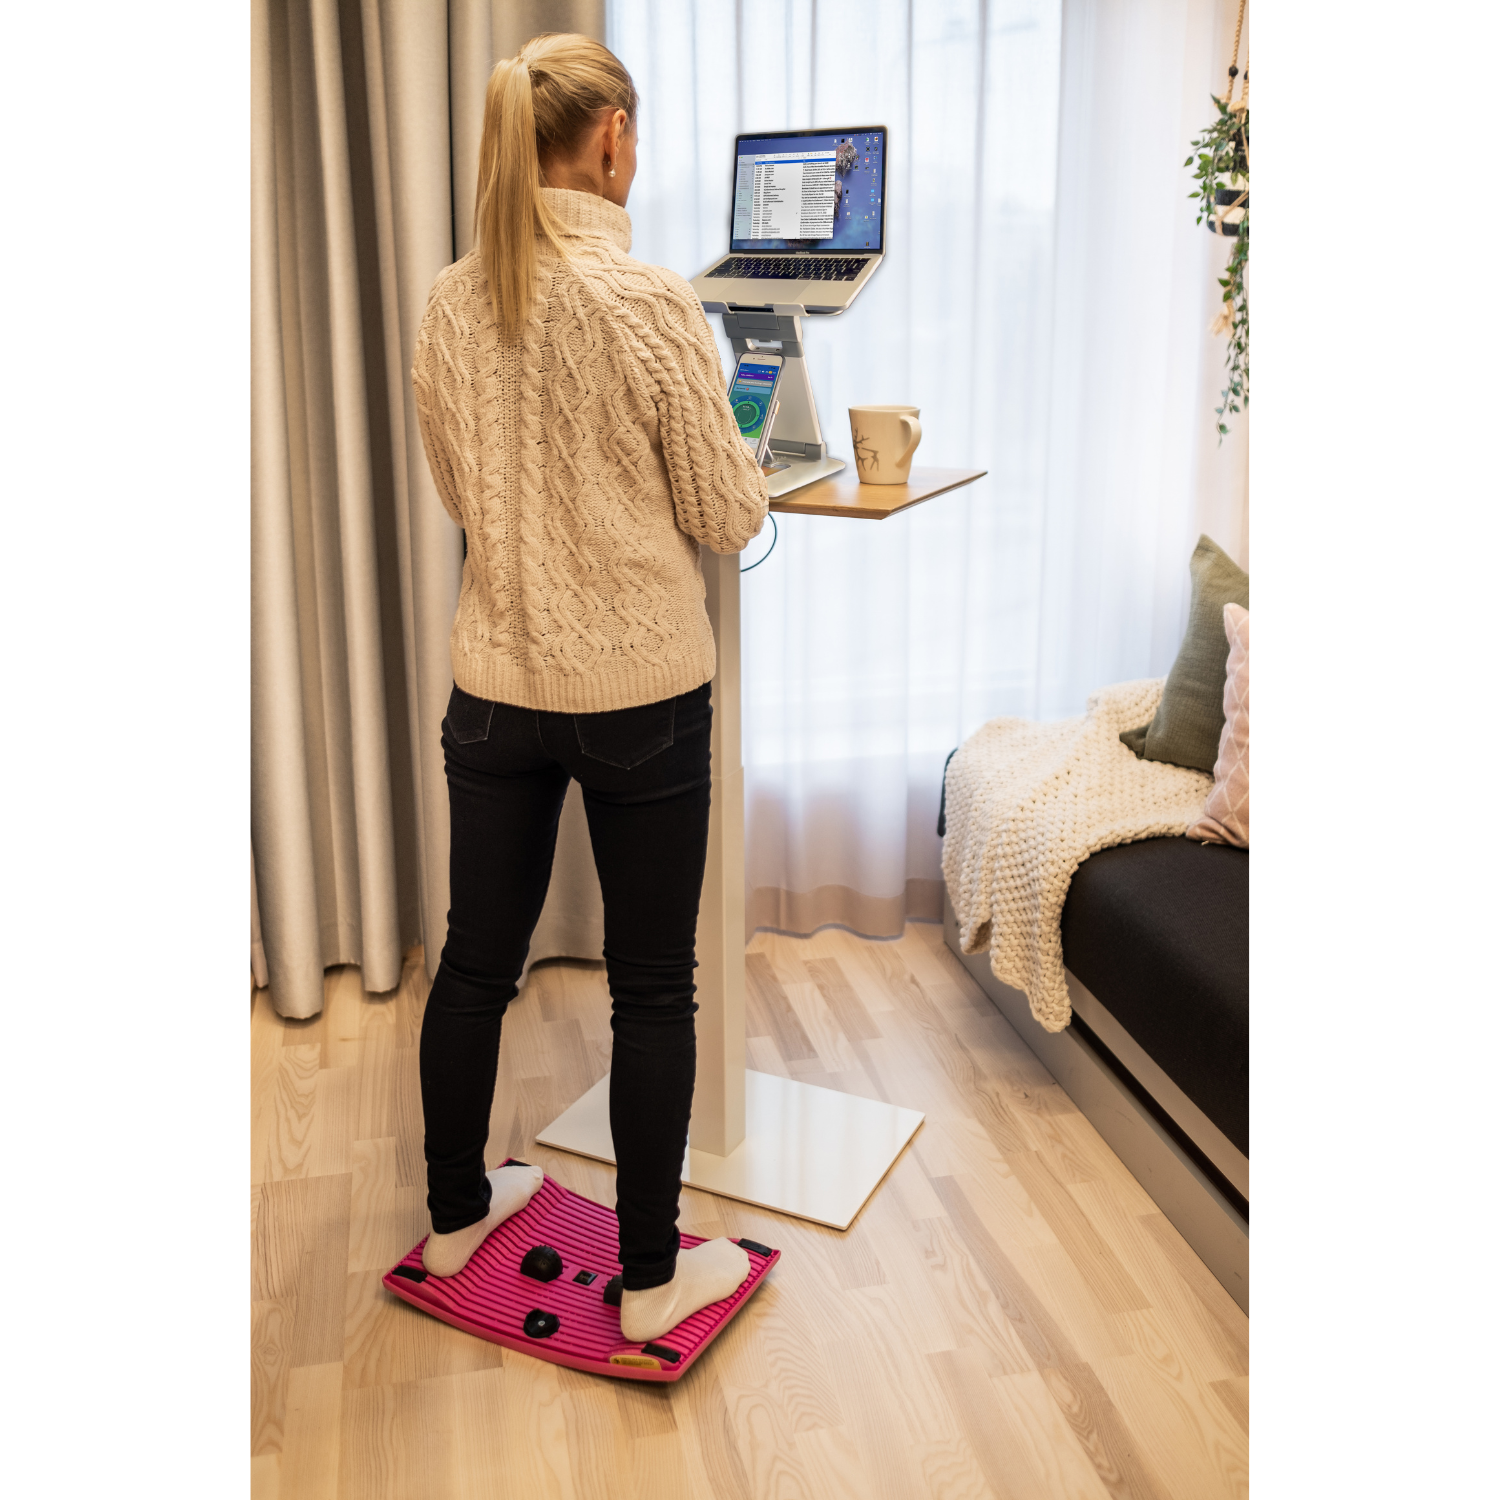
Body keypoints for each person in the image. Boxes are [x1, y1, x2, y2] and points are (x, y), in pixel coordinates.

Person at [409, 32, 770, 1346]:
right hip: (641, 699)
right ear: (611, 135)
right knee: (654, 986)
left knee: (475, 965)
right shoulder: (652, 300)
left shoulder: (454, 299)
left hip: (496, 688)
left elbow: (462, 496)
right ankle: (652, 1282)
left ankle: (455, 1213)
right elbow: (728, 512)